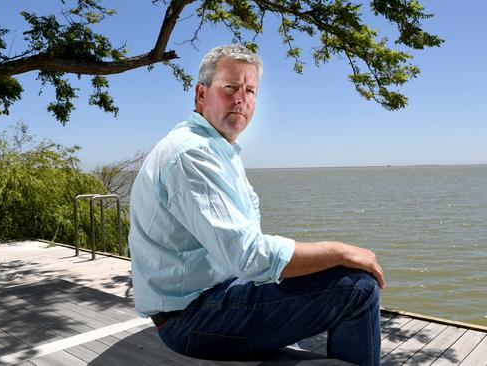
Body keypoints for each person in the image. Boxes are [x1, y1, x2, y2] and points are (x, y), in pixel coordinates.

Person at [128, 44, 386, 366]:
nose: (241, 98)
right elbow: (247, 255)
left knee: (331, 275)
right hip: (191, 318)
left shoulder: (219, 150)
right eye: (230, 88)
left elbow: (246, 246)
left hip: (216, 292)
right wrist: (340, 250)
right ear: (200, 94)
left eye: (250, 90)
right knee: (358, 288)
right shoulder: (191, 155)